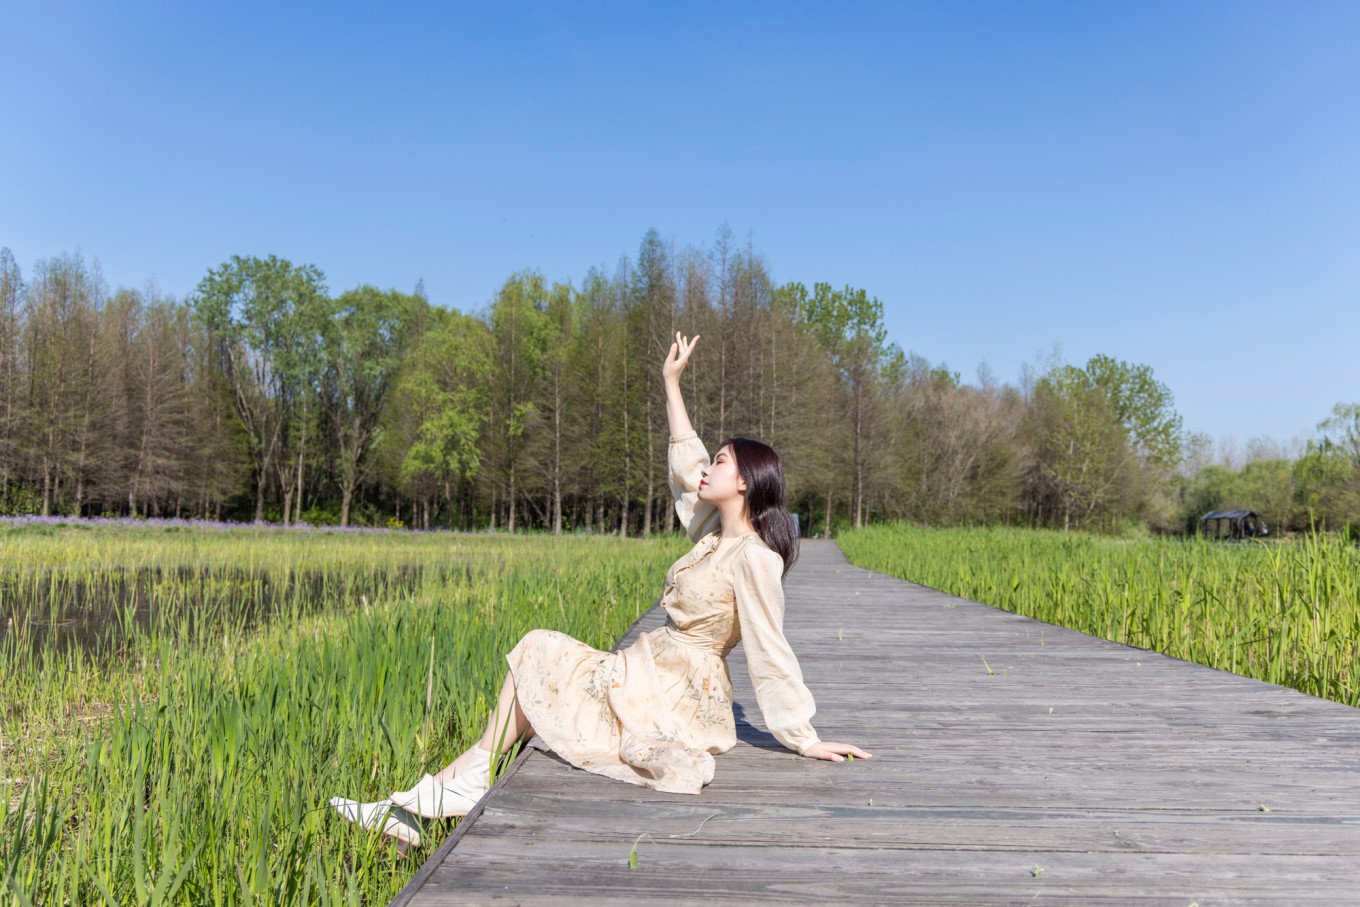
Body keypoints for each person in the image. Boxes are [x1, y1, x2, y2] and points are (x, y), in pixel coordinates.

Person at [329, 332, 872, 849]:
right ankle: (429, 805)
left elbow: (769, 647)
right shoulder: (713, 532)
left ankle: (435, 797)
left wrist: (803, 737)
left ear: (746, 482)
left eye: (722, 462)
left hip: (681, 690)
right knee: (538, 657)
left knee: (540, 649)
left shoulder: (754, 557)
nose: (709, 468)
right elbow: (688, 467)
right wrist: (671, 384)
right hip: (650, 666)